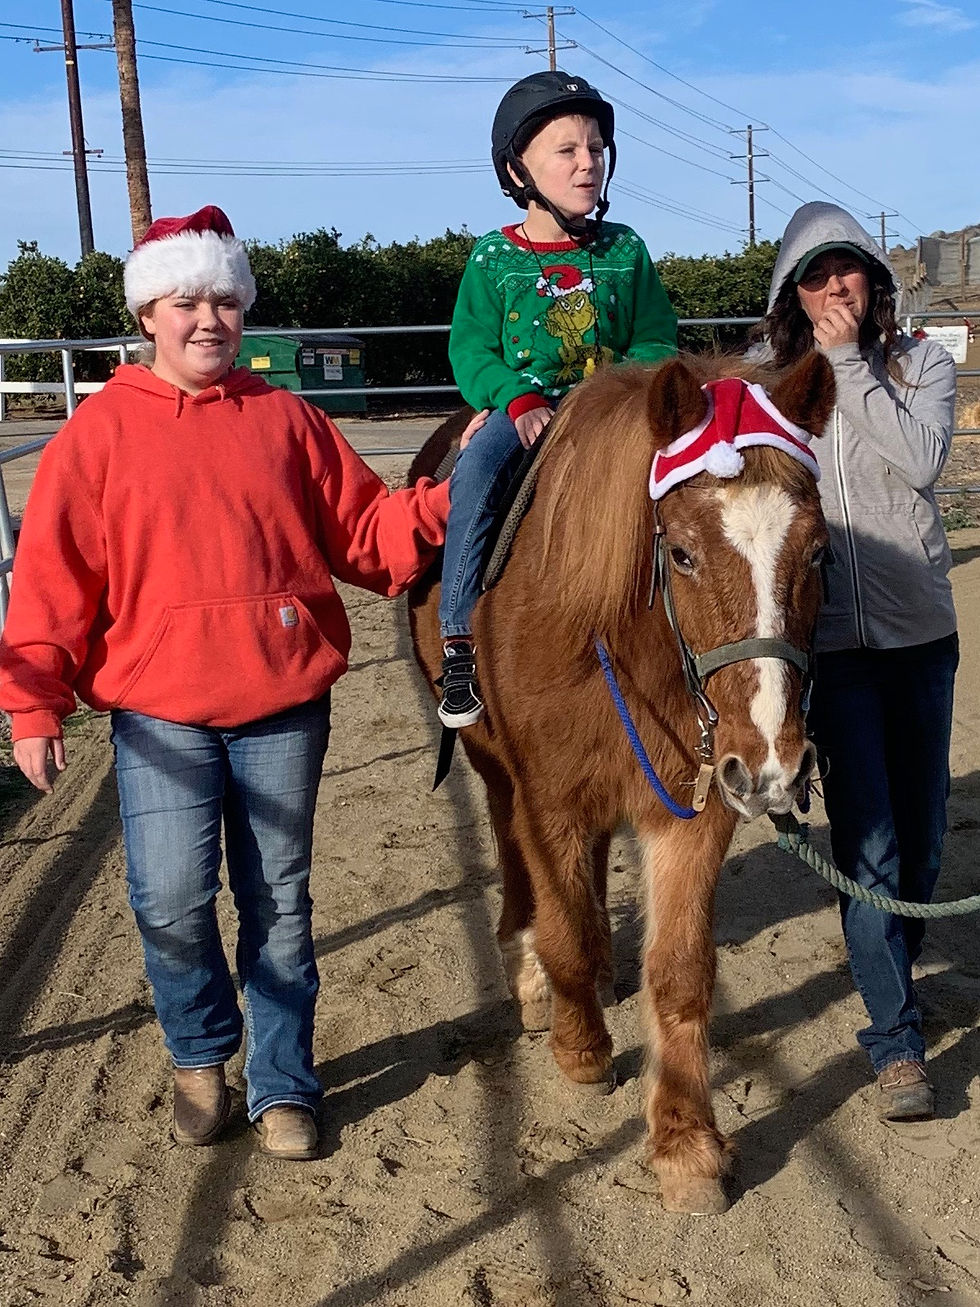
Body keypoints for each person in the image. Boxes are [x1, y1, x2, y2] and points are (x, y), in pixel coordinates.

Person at [0, 205, 454, 1161]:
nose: (207, 319)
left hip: (283, 696)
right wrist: (33, 702)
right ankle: (200, 1051)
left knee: (278, 897)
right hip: (158, 707)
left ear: (242, 310)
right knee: (168, 896)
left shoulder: (287, 419)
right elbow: (51, 578)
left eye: (223, 300)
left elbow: (366, 536)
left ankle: (283, 1079)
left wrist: (456, 491)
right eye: (184, 301)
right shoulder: (97, 435)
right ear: (149, 314)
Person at [759, 202, 958, 1121]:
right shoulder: (775, 392)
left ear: (874, 282)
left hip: (921, 635)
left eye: (848, 270)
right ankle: (895, 1040)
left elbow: (918, 464)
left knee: (920, 842)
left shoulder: (925, 366)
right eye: (815, 275)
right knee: (869, 843)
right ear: (792, 297)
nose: (834, 286)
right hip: (831, 651)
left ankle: (889, 966)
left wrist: (846, 368)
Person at [437, 70, 678, 727]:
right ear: (518, 169)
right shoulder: (491, 259)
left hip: (613, 414)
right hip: (523, 413)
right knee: (477, 472)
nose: (587, 163)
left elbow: (656, 338)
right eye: (566, 150)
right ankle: (458, 634)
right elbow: (471, 351)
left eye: (595, 149)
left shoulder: (626, 251)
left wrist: (612, 394)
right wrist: (513, 398)